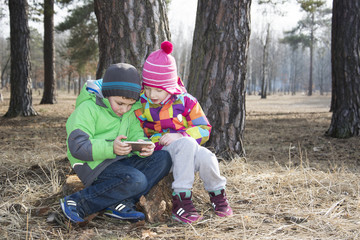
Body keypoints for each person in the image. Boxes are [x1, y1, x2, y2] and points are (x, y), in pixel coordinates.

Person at [60, 63, 172, 223]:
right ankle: (78, 202)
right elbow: (77, 146)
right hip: (94, 164)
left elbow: (136, 133)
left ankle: (121, 203)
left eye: (130, 105)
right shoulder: (88, 109)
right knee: (136, 179)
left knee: (163, 159)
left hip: (121, 161)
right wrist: (111, 148)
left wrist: (144, 144)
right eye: (120, 103)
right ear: (106, 94)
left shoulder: (129, 111)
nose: (125, 109)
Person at [135, 41, 233, 224]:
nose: (152, 94)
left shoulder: (186, 102)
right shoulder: (141, 103)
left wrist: (182, 136)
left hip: (185, 151)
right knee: (188, 146)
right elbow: (135, 130)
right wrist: (148, 144)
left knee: (207, 157)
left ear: (170, 87)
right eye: (147, 88)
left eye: (158, 90)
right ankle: (181, 201)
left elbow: (204, 129)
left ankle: (218, 196)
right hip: (159, 153)